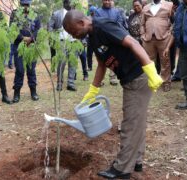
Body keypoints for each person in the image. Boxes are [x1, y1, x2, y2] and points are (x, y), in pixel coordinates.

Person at [63, 10, 163, 179]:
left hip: (138, 77)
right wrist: (93, 90)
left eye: (74, 32)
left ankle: (122, 169)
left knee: (130, 125)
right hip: (129, 79)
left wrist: (151, 71)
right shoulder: (93, 36)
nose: (74, 36)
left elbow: (133, 43)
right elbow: (102, 64)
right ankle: (136, 162)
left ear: (81, 23)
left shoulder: (103, 26)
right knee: (136, 123)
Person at [10, 0, 41, 103]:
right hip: (18, 46)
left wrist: (31, 38)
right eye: (23, 5)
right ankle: (16, 93)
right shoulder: (14, 14)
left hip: (31, 46)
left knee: (31, 69)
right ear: (20, 4)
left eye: (27, 5)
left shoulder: (35, 14)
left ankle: (33, 92)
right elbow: (12, 30)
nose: (25, 7)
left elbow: (38, 29)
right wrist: (22, 38)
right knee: (19, 70)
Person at [49, 0, 83, 91]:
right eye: (68, 2)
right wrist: (54, 38)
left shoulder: (77, 14)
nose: (70, 4)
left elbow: (82, 26)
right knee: (61, 62)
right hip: (61, 42)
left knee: (72, 62)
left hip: (74, 42)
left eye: (71, 2)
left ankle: (70, 83)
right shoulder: (56, 14)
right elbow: (50, 27)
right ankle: (59, 82)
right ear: (64, 3)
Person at [141, 0, 174, 92]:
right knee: (149, 62)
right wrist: (142, 35)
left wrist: (169, 33)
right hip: (148, 39)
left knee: (165, 61)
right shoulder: (146, 7)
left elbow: (174, 21)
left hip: (164, 38)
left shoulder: (169, 5)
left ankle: (166, 82)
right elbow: (142, 23)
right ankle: (151, 81)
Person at [95, 0, 128, 86]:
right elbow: (97, 25)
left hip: (114, 39)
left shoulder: (116, 11)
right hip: (102, 41)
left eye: (109, 0)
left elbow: (119, 24)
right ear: (102, 1)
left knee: (113, 58)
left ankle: (113, 78)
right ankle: (100, 79)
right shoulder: (98, 12)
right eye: (105, 0)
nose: (107, 2)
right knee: (102, 59)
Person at [86, 5, 97, 71]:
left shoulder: (98, 18)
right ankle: (90, 66)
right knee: (89, 54)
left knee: (99, 53)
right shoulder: (88, 18)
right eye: (92, 11)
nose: (93, 13)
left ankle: (100, 66)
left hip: (96, 38)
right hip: (90, 38)